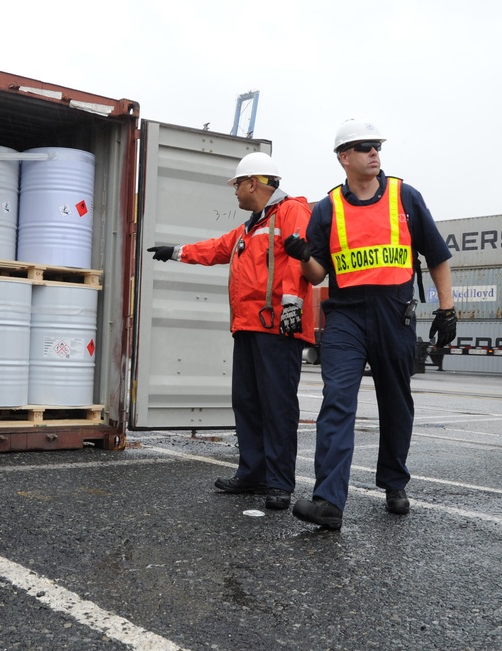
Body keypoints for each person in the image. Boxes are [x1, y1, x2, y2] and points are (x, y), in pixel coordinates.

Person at [284, 119, 457, 530]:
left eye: (377, 145)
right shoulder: (326, 210)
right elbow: (316, 276)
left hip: (394, 315)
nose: (374, 152)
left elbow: (437, 256)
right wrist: (301, 254)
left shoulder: (405, 197)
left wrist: (446, 309)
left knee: (396, 403)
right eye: (364, 147)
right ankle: (328, 501)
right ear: (344, 158)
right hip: (345, 317)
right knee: (337, 402)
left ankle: (394, 482)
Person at [148, 153, 315, 511]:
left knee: (278, 406)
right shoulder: (250, 227)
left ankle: (279, 482)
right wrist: (174, 252)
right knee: (248, 402)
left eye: (236, 184)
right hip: (249, 326)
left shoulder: (291, 212)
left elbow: (297, 260)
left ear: (253, 183)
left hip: (278, 327)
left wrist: (291, 308)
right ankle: (253, 473)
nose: (235, 192)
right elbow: (216, 249)